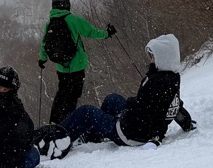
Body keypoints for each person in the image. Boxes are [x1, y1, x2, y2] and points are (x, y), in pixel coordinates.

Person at [60, 33, 194, 147]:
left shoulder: (158, 81)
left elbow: (149, 110)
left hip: (130, 133)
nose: (151, 61)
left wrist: (131, 104)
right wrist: (186, 122)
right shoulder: (172, 77)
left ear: (164, 58)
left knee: (86, 112)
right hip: (135, 123)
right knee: (112, 99)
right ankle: (94, 135)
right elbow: (172, 103)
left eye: (153, 57)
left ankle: (58, 138)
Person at [37, 0, 117, 126]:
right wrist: (107, 33)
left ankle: (54, 122)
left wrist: (42, 58)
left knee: (61, 94)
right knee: (72, 97)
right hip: (77, 66)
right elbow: (92, 32)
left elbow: (44, 42)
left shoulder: (50, 21)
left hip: (61, 67)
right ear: (67, 5)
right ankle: (67, 125)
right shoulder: (73, 19)